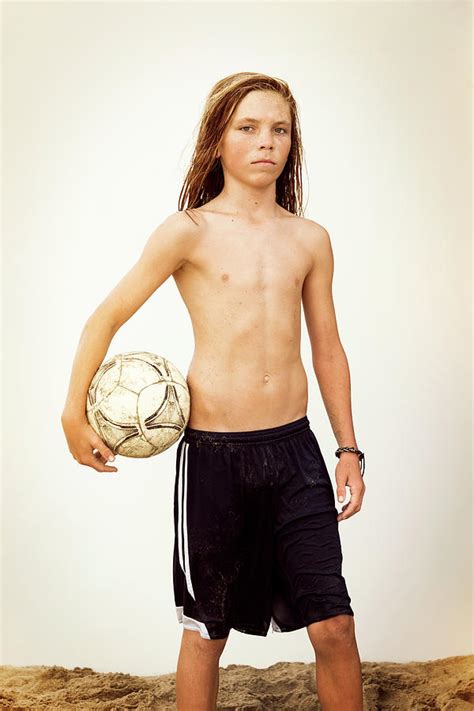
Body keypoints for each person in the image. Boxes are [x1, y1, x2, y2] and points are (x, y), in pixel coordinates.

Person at [61, 72, 366, 711]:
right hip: (214, 458)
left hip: (294, 454)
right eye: (248, 128)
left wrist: (348, 450)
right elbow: (105, 317)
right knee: (207, 631)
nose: (266, 143)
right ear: (217, 142)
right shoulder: (188, 231)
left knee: (334, 624)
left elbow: (328, 348)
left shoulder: (309, 239)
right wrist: (72, 412)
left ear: (292, 142)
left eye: (279, 130)